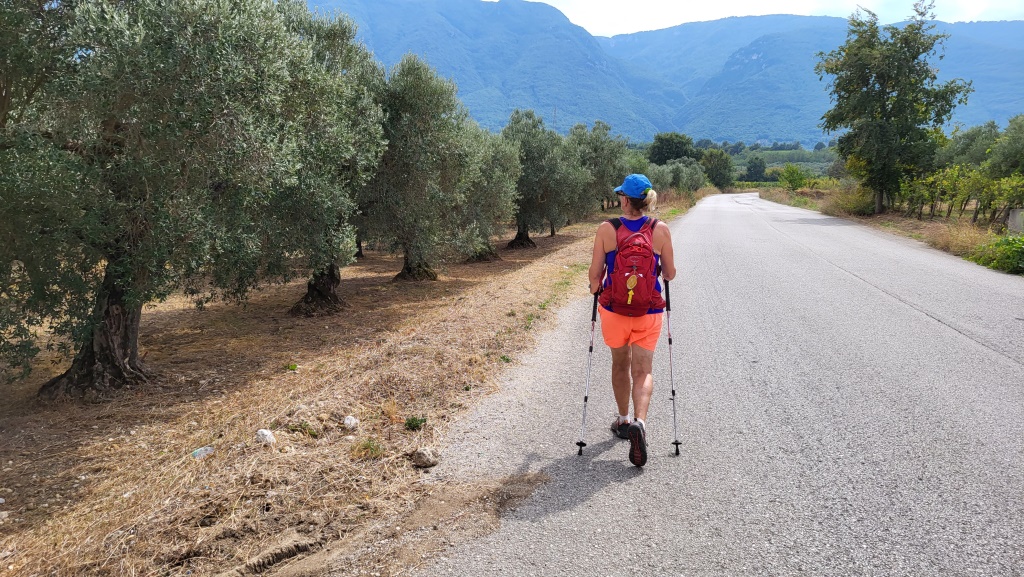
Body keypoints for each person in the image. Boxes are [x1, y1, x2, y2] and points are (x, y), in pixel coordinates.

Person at [588, 174, 675, 467]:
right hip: (648, 311)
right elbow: (671, 273)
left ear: (624, 200)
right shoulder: (660, 229)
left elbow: (594, 276)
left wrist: (595, 287)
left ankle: (623, 420)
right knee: (643, 369)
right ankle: (641, 422)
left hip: (614, 311)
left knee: (619, 363)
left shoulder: (607, 229)